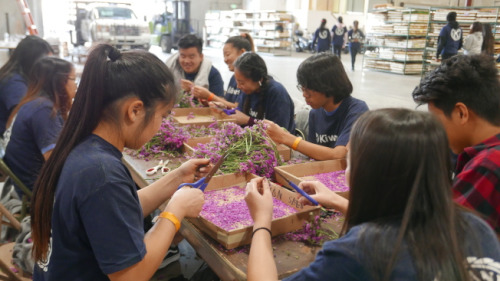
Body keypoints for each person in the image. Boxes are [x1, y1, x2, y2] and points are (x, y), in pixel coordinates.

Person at [244, 108, 500, 281]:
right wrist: (338, 200)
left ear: (366, 175)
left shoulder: (357, 253)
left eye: (350, 162)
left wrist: (262, 221)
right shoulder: (477, 229)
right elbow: (401, 217)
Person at [31, 44, 210, 280]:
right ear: (135, 110)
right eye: (162, 116)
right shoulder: (101, 173)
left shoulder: (85, 147)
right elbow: (130, 276)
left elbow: (118, 207)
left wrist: (177, 177)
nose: (160, 127)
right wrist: (175, 211)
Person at [413, 54, 500, 236]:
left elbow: (438, 236)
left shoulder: (488, 165)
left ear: (461, 113)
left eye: (436, 120)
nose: (435, 130)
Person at [266, 53, 368, 160]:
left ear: (327, 86)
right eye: (302, 88)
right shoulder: (315, 113)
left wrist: (286, 137)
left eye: (308, 90)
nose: (304, 95)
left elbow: (339, 156)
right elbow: (313, 155)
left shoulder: (357, 111)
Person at [3, 57, 76, 197]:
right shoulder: (43, 110)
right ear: (60, 83)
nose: (76, 86)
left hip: (24, 185)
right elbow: (56, 162)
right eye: (73, 79)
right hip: (38, 193)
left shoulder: (35, 102)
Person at [0, 35, 53, 137]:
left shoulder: (22, 76)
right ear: (34, 61)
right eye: (48, 62)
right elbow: (25, 114)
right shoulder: (14, 83)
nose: (50, 68)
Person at [232, 52, 295, 133]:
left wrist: (248, 121)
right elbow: (240, 114)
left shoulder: (277, 93)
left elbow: (279, 133)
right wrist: (226, 110)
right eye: (237, 81)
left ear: (259, 79)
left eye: (242, 82)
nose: (238, 86)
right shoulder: (247, 91)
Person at [192, 33, 254, 108]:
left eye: (227, 55)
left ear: (242, 53)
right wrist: (209, 101)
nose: (225, 60)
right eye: (224, 56)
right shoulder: (233, 78)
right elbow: (227, 103)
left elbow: (238, 108)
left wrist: (210, 96)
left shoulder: (250, 80)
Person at [165, 34, 224, 100]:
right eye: (183, 56)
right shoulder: (170, 69)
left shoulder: (212, 73)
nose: (186, 61)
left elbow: (221, 103)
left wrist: (195, 91)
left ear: (201, 57)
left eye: (191, 57)